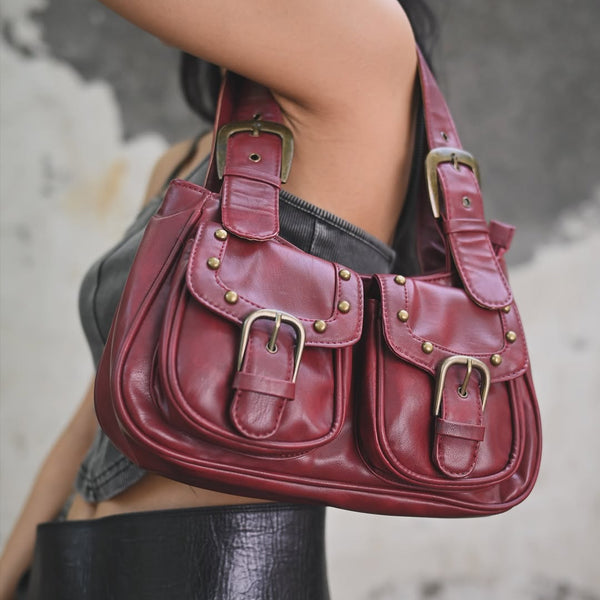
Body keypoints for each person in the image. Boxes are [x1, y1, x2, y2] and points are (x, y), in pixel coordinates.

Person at [0, 1, 435, 598]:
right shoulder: (183, 160)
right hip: (67, 563)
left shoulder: (367, 39)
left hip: (218, 577)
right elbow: (98, 413)